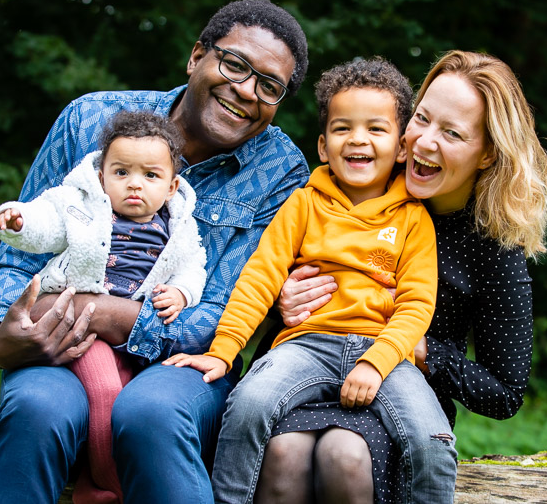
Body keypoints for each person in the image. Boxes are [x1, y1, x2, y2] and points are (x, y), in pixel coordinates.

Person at [0, 0, 310, 504]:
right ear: (197, 56)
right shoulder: (89, 118)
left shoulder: (279, 171)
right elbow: (22, 256)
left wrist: (104, 313)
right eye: (235, 64)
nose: (245, 89)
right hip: (64, 345)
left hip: (182, 367)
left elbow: (227, 311)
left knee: (151, 413)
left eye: (269, 85)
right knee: (38, 408)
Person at [258, 50, 547, 503]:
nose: (424, 143)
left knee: (343, 455)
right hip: (308, 369)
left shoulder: (493, 249)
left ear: (486, 154)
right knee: (284, 452)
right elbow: (265, 272)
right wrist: (283, 301)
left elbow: (505, 393)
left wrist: (422, 348)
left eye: (452, 133)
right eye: (422, 118)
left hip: (399, 399)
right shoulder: (360, 177)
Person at [165, 57, 458, 504]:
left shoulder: (414, 219)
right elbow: (260, 278)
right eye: (343, 128)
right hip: (306, 344)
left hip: (385, 355)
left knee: (432, 442)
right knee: (247, 405)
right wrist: (223, 350)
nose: (357, 138)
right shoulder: (303, 205)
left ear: (402, 147)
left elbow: (417, 305)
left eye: (375, 128)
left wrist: (376, 362)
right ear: (323, 146)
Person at [0, 110, 206, 503]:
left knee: (124, 398)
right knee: (105, 390)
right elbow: (47, 222)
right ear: (102, 176)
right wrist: (20, 221)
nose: (134, 184)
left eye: (150, 175)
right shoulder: (83, 208)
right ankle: (108, 486)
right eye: (121, 172)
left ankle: (93, 474)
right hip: (80, 328)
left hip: (129, 338)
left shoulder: (179, 225)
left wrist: (181, 293)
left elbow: (194, 267)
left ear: (172, 186)